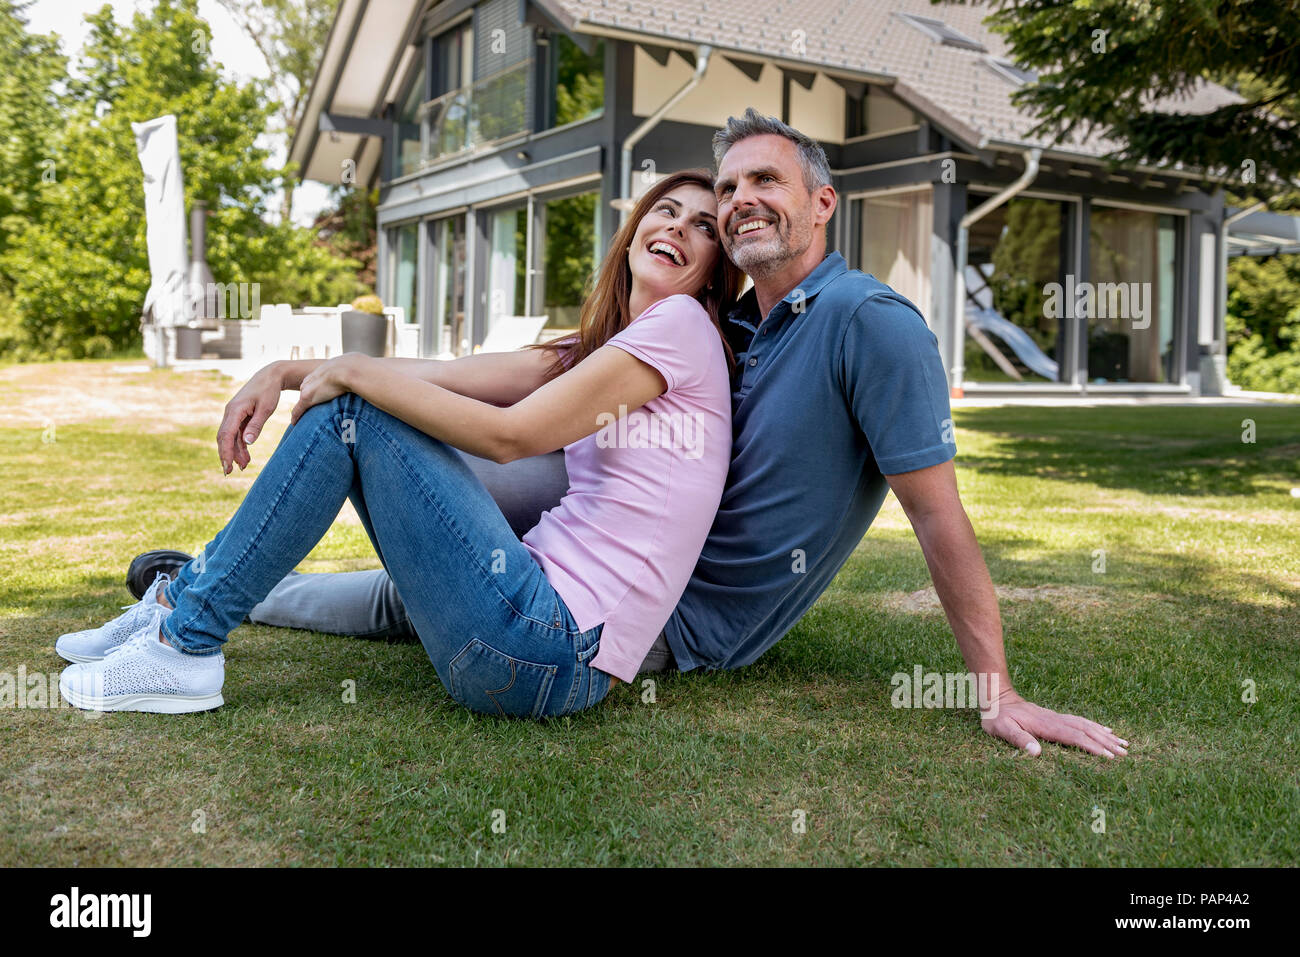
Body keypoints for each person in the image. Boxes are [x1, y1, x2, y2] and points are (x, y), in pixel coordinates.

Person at [121, 108, 1127, 759]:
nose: (736, 206)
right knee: (405, 570)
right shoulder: (736, 325)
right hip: (592, 560)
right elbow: (503, 378)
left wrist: (995, 691)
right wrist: (302, 364)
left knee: (384, 435)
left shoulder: (868, 325)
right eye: (721, 192)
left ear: (825, 202)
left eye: (760, 185)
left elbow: (938, 517)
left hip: (648, 620)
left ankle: (193, 623)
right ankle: (193, 587)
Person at [55, 168, 744, 719]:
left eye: (704, 227)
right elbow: (445, 376)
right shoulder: (602, 351)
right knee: (357, 405)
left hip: (550, 646)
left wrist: (349, 373)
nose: (678, 228)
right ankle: (179, 609)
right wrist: (285, 371)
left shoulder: (683, 325)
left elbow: (512, 436)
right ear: (634, 231)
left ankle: (185, 641)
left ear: (715, 270)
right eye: (667, 211)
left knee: (355, 413)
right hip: (530, 636)